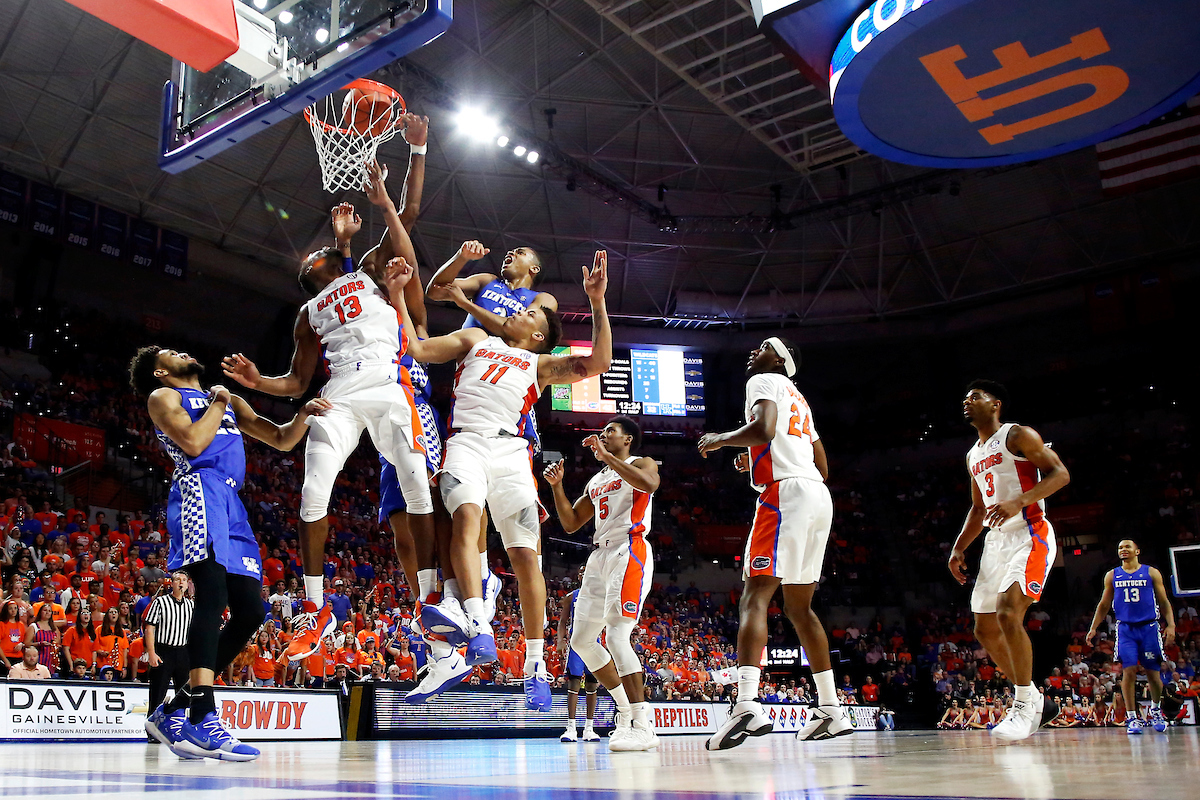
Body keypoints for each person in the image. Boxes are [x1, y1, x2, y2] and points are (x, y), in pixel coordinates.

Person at [395, 250, 609, 711]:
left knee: (525, 556)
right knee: (466, 518)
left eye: (529, 312)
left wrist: (597, 303)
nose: (519, 310)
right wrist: (396, 295)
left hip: (512, 452)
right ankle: (479, 626)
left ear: (537, 335)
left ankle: (535, 666)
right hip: (466, 442)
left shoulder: (540, 366)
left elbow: (597, 365)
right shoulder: (475, 337)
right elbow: (417, 349)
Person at [129, 346, 328, 761]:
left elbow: (281, 438)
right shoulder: (164, 397)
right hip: (199, 489)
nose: (181, 350)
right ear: (162, 371)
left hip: (232, 501)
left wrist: (304, 414)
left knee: (252, 611)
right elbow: (194, 442)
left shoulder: (227, 399)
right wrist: (220, 400)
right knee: (213, 594)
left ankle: (174, 708)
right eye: (169, 353)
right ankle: (202, 715)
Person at [698, 338, 849, 748]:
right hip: (817, 496)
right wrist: (761, 452)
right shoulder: (800, 398)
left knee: (754, 597)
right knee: (800, 607)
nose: (754, 350)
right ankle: (832, 710)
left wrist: (722, 438)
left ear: (781, 360)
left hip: (784, 495)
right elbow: (822, 464)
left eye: (765, 346)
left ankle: (746, 704)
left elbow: (763, 428)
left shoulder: (764, 380)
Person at [948, 380, 1070, 743]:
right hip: (996, 541)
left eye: (975, 397)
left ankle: (1022, 706)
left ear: (995, 403)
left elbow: (1060, 474)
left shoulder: (1017, 434)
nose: (967, 402)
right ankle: (1036, 699)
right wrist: (958, 549)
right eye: (965, 398)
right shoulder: (973, 454)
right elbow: (977, 507)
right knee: (983, 629)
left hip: (1030, 532)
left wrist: (1020, 501)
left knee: (1007, 612)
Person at [545, 417, 659, 750]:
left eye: (612, 431)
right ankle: (625, 713)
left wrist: (606, 456)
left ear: (628, 439)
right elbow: (569, 523)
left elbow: (649, 485)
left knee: (616, 634)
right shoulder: (597, 480)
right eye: (604, 431)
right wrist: (557, 486)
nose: (605, 435)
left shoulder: (641, 462)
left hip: (630, 548)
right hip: (599, 556)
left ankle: (643, 723)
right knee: (581, 639)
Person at [1085, 538, 1175, 734]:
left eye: (1127, 547)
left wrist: (1171, 625)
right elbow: (1103, 605)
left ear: (1137, 551)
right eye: (1120, 547)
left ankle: (1156, 710)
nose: (1123, 550)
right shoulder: (1112, 575)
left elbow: (1164, 601)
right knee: (1129, 671)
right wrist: (1093, 628)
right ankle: (1132, 717)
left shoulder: (1151, 572)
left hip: (1149, 627)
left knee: (1153, 673)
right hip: (1126, 629)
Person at [555, 567, 601, 743]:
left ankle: (589, 728)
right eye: (581, 572)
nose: (583, 574)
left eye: (586, 571)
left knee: (592, 683)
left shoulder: (600, 596)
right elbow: (562, 622)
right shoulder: (571, 596)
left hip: (594, 642)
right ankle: (571, 727)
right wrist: (560, 641)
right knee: (574, 681)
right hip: (575, 643)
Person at [144, 573, 194, 715]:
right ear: (171, 583)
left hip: (183, 653)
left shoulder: (191, 605)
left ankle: (179, 726)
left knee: (183, 694)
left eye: (184, 580)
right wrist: (152, 653)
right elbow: (149, 628)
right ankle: (153, 732)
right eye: (178, 579)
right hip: (163, 651)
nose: (181, 582)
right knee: (157, 694)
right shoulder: (160, 602)